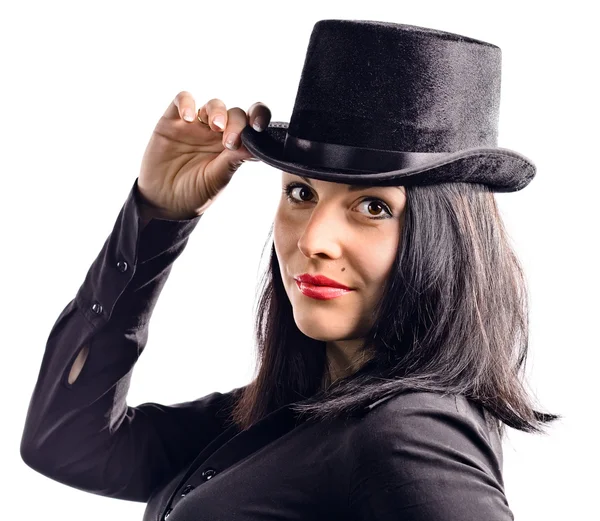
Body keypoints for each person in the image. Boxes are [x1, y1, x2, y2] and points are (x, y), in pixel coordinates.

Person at [20, 19, 560, 521]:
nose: (312, 239)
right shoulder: (288, 412)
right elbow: (68, 444)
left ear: (449, 239)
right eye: (301, 193)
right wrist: (158, 216)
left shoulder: (408, 436)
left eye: (373, 207)